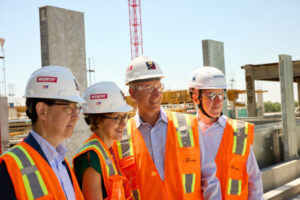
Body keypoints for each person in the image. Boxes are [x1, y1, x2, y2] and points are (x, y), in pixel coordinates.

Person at [112, 56, 221, 199]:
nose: (157, 94)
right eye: (149, 88)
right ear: (132, 93)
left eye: (159, 87)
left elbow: (209, 179)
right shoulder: (121, 137)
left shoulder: (189, 125)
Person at [0, 66, 85, 199]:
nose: (76, 116)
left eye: (77, 108)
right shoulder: (10, 167)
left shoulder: (61, 163)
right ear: (42, 111)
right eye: (69, 108)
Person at [188, 66, 263, 199]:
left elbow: (254, 179)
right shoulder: (184, 133)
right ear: (195, 98)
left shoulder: (238, 133)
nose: (218, 101)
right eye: (211, 95)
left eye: (221, 95)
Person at [73, 81, 133, 200]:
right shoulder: (91, 156)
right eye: (117, 118)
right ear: (99, 121)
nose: (123, 124)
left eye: (125, 116)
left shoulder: (105, 151)